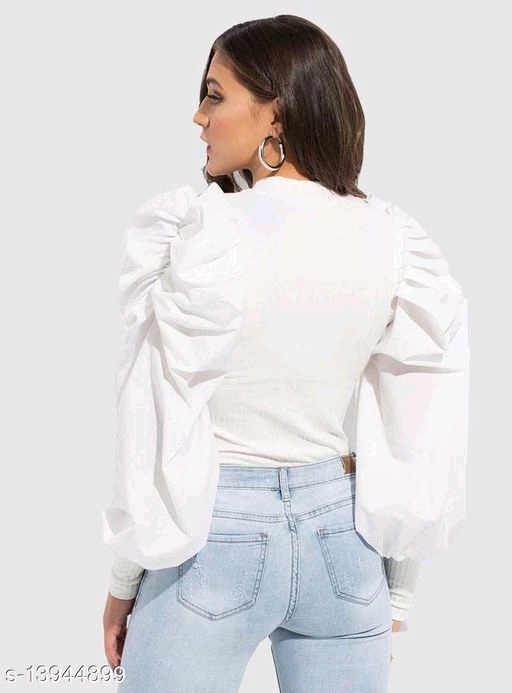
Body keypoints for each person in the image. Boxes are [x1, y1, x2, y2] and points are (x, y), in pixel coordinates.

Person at [102, 14, 469, 693]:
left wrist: (126, 579)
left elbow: (152, 423)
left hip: (210, 545)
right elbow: (422, 424)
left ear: (275, 112)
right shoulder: (393, 238)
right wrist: (399, 590)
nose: (198, 116)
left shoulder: (200, 235)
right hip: (345, 546)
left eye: (215, 95)